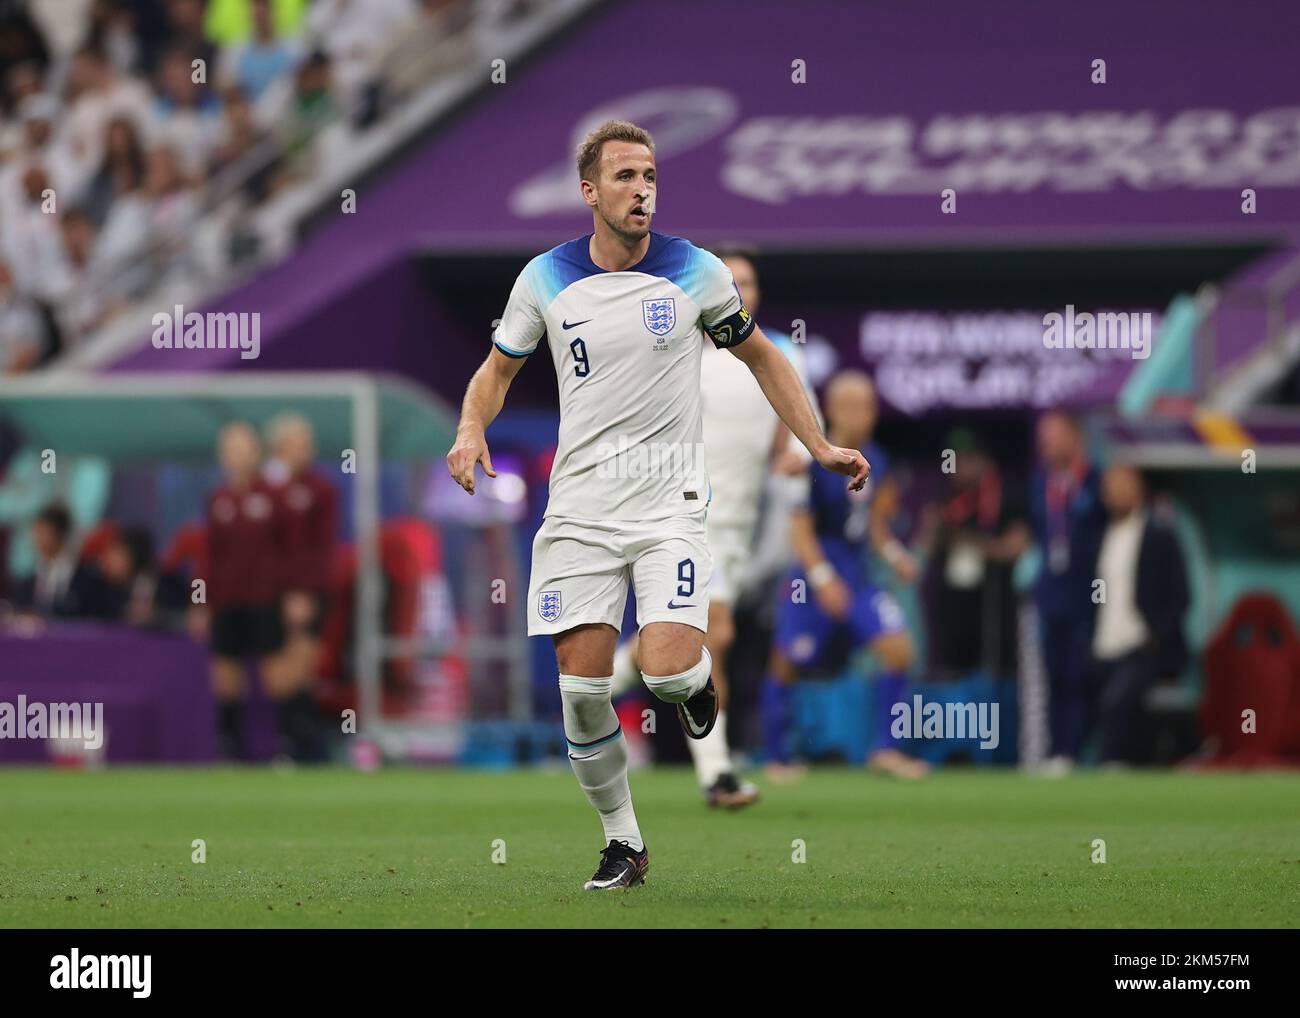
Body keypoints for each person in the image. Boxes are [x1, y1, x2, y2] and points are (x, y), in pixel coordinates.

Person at [446, 120, 867, 891]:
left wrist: (818, 444)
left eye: (650, 178)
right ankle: (624, 846)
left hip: (669, 503)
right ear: (590, 191)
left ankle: (698, 688)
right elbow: (496, 372)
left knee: (666, 670)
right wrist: (472, 427)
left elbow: (765, 357)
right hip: (577, 510)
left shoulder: (697, 272)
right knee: (580, 696)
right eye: (625, 177)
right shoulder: (543, 278)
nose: (641, 191)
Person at [606, 246, 809, 809]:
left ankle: (595, 688)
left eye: (748, 280)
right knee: (711, 634)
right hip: (688, 512)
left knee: (685, 643)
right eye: (730, 279)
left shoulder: (777, 356)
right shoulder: (683, 352)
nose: (739, 288)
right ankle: (717, 773)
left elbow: (792, 433)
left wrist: (800, 453)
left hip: (741, 529)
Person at [761, 371, 927, 780]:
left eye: (867, 406)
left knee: (899, 649)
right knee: (787, 662)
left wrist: (895, 555)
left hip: (858, 576)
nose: (859, 415)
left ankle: (886, 750)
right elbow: (799, 528)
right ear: (830, 409)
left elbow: (876, 526)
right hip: (813, 574)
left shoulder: (879, 460)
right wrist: (821, 579)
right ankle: (778, 757)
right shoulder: (809, 457)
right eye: (849, 406)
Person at [206, 421, 316, 761]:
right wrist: (203, 601)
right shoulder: (218, 500)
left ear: (256, 452)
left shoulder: (275, 496)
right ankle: (228, 749)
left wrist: (297, 592)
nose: (237, 456)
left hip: (266, 599)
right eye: (230, 449)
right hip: (227, 601)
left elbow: (295, 549)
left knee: (276, 673)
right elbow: (210, 554)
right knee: (225, 675)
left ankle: (286, 747)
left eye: (243, 448)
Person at [1091, 463, 1189, 764]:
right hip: (1103, 644)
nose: (1113, 493)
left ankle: (1111, 765)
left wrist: (1157, 634)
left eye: (1121, 485)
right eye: (1108, 487)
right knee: (1103, 706)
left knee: (1117, 704)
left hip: (1141, 644)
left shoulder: (1159, 534)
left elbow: (1181, 594)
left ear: (1138, 488)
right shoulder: (1098, 535)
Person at [1027, 410, 1106, 773]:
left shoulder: (1095, 481)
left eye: (1054, 435)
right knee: (1053, 673)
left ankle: (1078, 749)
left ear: (1075, 438)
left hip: (1088, 592)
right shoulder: (1040, 481)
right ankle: (1057, 750)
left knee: (1080, 673)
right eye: (1043, 436)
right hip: (1050, 592)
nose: (1046, 443)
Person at [264, 412, 337, 759]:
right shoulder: (266, 489)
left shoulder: (320, 490)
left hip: (307, 595)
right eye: (295, 444)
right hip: (270, 595)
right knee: (277, 674)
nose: (302, 451)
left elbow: (320, 548)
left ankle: (306, 748)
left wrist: (303, 592)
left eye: (306, 444)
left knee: (302, 669)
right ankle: (288, 743)